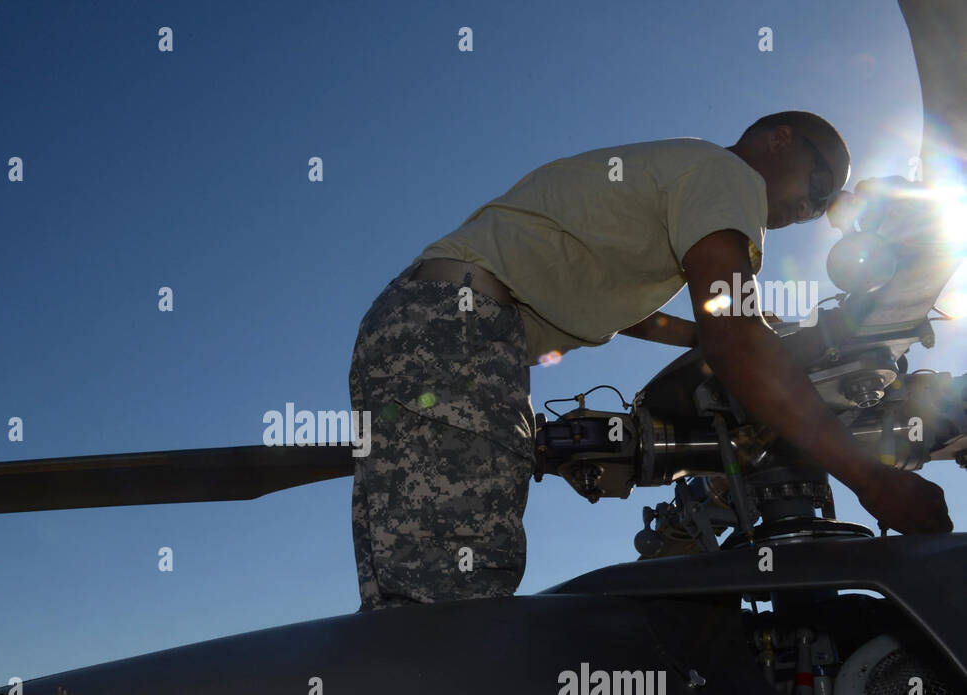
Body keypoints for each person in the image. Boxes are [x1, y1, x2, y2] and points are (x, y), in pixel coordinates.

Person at [348, 110, 953, 612]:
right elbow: (735, 339)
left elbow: (620, 304)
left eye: (825, 206)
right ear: (781, 139)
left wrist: (711, 335)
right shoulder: (728, 174)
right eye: (818, 185)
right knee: (456, 605)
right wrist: (871, 479)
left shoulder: (680, 177)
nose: (812, 207)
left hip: (440, 325)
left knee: (412, 606)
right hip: (461, 330)